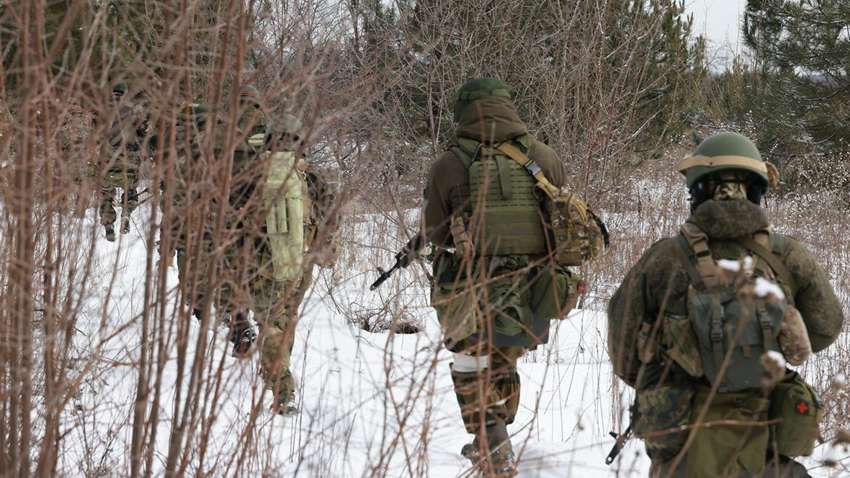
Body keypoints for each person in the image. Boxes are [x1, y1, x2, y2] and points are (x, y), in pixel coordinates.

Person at [606, 132, 844, 477]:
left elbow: (623, 347)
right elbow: (826, 326)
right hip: (766, 432)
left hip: (684, 442)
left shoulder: (665, 258)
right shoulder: (788, 255)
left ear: (698, 191)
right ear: (757, 191)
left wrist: (670, 372)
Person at [416, 78, 583, 476]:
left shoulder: (449, 164)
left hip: (469, 289)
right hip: (535, 290)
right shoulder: (543, 155)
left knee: (470, 364)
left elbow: (435, 233)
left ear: (464, 111)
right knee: (504, 359)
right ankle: (494, 438)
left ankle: (493, 442)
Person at [98, 81, 146, 241]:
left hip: (107, 159)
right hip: (129, 158)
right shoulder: (135, 109)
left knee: (106, 194)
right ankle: (126, 214)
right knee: (131, 189)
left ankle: (108, 224)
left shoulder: (102, 109)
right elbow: (143, 132)